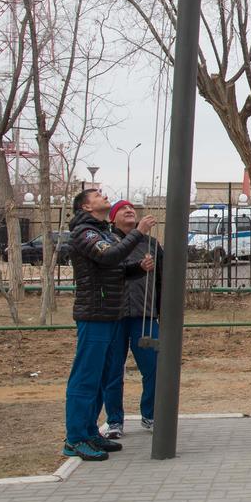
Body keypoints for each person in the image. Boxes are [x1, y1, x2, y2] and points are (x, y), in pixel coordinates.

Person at [63, 188, 155, 461]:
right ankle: (75, 438)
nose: (104, 195)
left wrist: (138, 268)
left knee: (101, 377)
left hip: (109, 314)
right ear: (86, 207)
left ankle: (90, 431)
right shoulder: (85, 233)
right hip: (95, 315)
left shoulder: (102, 232)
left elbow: (114, 269)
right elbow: (109, 256)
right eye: (97, 195)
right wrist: (138, 232)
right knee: (86, 377)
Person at [99, 200, 163, 438]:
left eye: (132, 209)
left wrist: (160, 312)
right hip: (114, 317)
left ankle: (151, 415)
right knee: (113, 370)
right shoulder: (107, 243)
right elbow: (114, 267)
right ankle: (114, 420)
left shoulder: (151, 245)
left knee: (154, 367)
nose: (129, 211)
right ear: (113, 218)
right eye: (122, 209)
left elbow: (161, 280)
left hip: (144, 317)